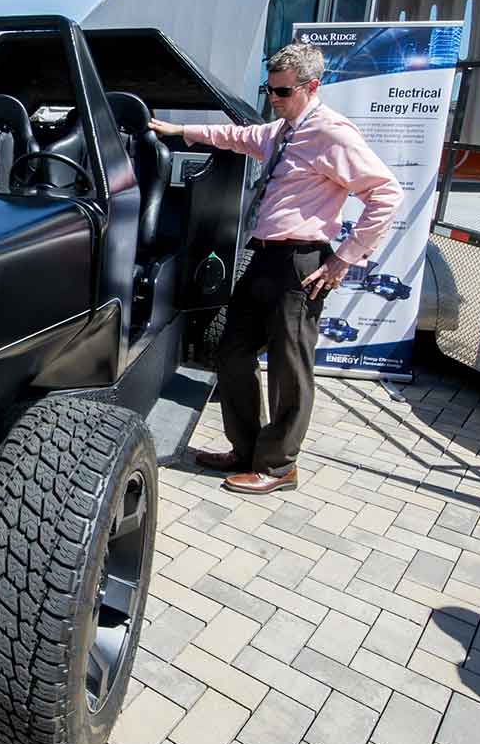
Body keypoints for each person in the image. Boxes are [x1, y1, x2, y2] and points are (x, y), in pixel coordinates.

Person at [148, 42, 400, 495]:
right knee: (230, 353)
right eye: (269, 89)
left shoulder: (332, 134)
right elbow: (240, 138)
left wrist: (345, 257)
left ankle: (279, 466)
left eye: (282, 92)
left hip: (301, 263)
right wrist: (177, 129)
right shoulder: (283, 131)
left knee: (289, 368)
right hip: (264, 257)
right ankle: (245, 450)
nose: (273, 99)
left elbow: (385, 194)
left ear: (311, 87)